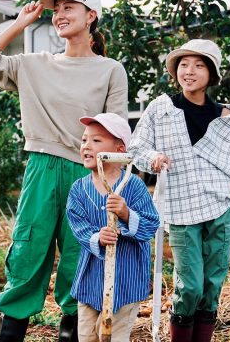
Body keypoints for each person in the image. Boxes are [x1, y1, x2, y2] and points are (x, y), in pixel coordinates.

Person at [0, 0, 129, 342]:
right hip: (41, 169)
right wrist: (20, 22)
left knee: (80, 258)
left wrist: (108, 183)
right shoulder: (33, 64)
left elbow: (117, 131)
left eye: (69, 7)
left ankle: (72, 334)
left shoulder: (110, 70)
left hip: (88, 174)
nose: (59, 14)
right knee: (28, 254)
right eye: (55, 9)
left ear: (91, 16)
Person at [127, 39, 230, 342]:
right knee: (190, 284)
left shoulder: (226, 117)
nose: (189, 71)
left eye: (199, 65)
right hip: (180, 207)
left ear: (212, 74)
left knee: (212, 283)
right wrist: (154, 158)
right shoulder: (161, 108)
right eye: (183, 64)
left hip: (219, 205)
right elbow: (137, 145)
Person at [66, 113, 159, 342]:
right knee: (88, 336)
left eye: (96, 141)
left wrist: (126, 214)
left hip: (126, 282)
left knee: (114, 338)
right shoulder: (79, 189)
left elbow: (150, 225)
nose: (87, 146)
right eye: (85, 140)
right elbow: (78, 227)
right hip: (90, 281)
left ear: (119, 151)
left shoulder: (133, 186)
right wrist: (97, 237)